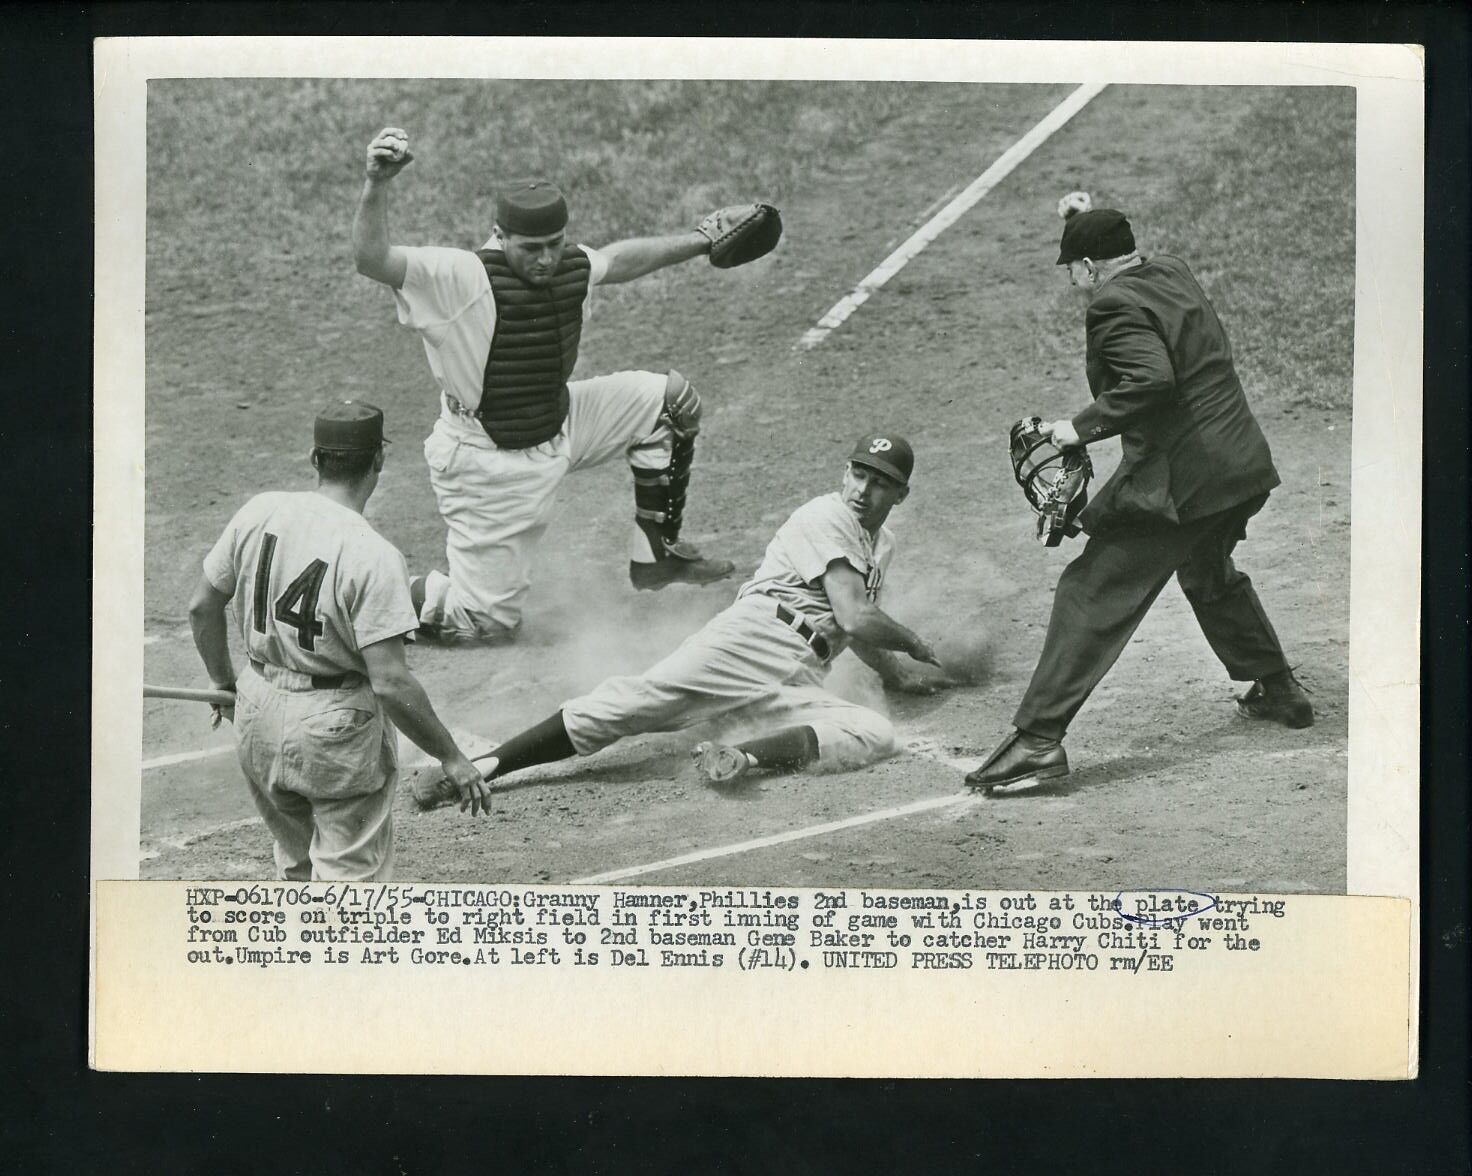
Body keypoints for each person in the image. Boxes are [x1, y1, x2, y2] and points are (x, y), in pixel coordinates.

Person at [965, 208, 1312, 792]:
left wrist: (1076, 428)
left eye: (1071, 270)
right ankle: (1278, 689)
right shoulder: (1170, 270)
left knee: (1091, 590)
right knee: (1207, 571)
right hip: (1241, 465)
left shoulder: (1111, 304)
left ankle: (1038, 739)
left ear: (1086, 266)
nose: (1072, 283)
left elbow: (1152, 380)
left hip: (1188, 484)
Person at [352, 126, 741, 646]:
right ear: (500, 235)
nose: (544, 259)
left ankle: (656, 557)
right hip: (489, 460)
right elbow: (372, 260)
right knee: (484, 625)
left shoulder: (569, 263)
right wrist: (377, 183)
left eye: (553, 245)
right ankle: (370, 589)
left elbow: (621, 259)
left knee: (669, 403)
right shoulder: (458, 276)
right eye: (530, 248)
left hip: (562, 420)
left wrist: (701, 239)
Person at [415, 433, 947, 805]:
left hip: (800, 673)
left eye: (879, 483)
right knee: (639, 702)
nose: (863, 489)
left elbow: (850, 625)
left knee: (873, 730)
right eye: (858, 473)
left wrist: (895, 675)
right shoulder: (827, 515)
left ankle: (741, 756)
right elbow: (856, 617)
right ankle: (483, 767)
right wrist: (914, 644)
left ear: (901, 494)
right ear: (844, 472)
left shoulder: (884, 545)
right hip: (755, 639)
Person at [188, 401, 488, 881]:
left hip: (256, 710)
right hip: (335, 733)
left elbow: (202, 606)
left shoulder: (260, 510)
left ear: (315, 458)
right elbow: (390, 682)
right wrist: (452, 757)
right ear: (379, 461)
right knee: (350, 893)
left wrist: (225, 684)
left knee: (299, 868)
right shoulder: (372, 553)